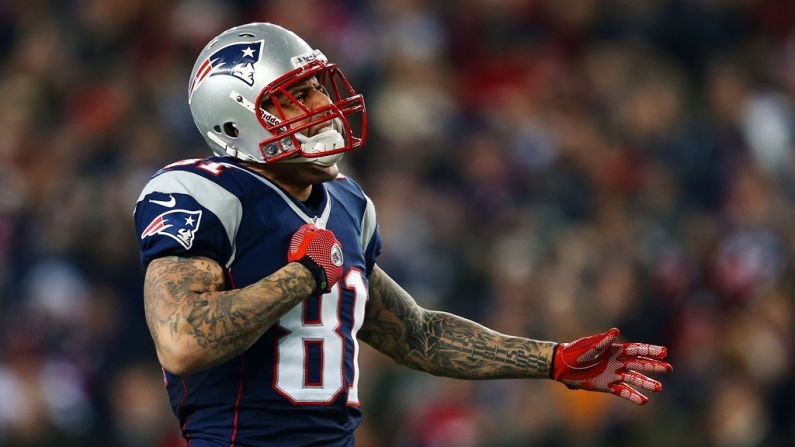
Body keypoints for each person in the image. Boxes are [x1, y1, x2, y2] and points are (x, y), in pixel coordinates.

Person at [134, 22, 672, 447]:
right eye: (295, 98)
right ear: (234, 124)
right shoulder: (202, 193)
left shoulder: (346, 202)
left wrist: (551, 361)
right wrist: (298, 278)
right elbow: (181, 342)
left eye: (318, 89)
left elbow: (416, 336)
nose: (322, 108)